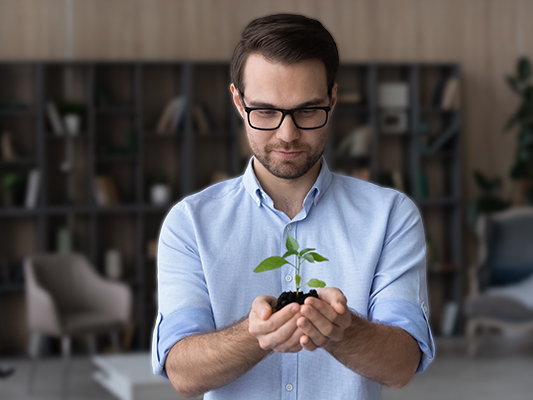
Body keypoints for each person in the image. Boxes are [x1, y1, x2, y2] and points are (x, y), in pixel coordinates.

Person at [150, 13, 435, 400]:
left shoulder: (390, 216)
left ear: (332, 100)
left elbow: (402, 364)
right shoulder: (190, 223)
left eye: (307, 110)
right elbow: (181, 369)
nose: (287, 134)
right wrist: (256, 335)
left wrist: (342, 330)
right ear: (238, 102)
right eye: (265, 111)